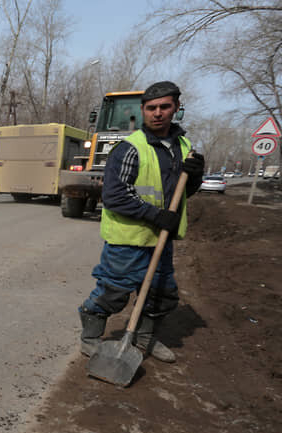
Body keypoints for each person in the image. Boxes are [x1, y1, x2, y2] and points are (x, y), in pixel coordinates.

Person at [78, 81, 205, 362]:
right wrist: (156, 215)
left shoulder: (183, 147)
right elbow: (114, 196)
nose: (157, 113)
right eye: (151, 108)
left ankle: (144, 338)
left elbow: (184, 192)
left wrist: (195, 174)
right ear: (143, 110)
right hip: (128, 239)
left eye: (164, 107)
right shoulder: (130, 148)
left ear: (176, 108)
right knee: (113, 292)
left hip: (162, 237)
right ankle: (90, 338)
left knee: (161, 293)